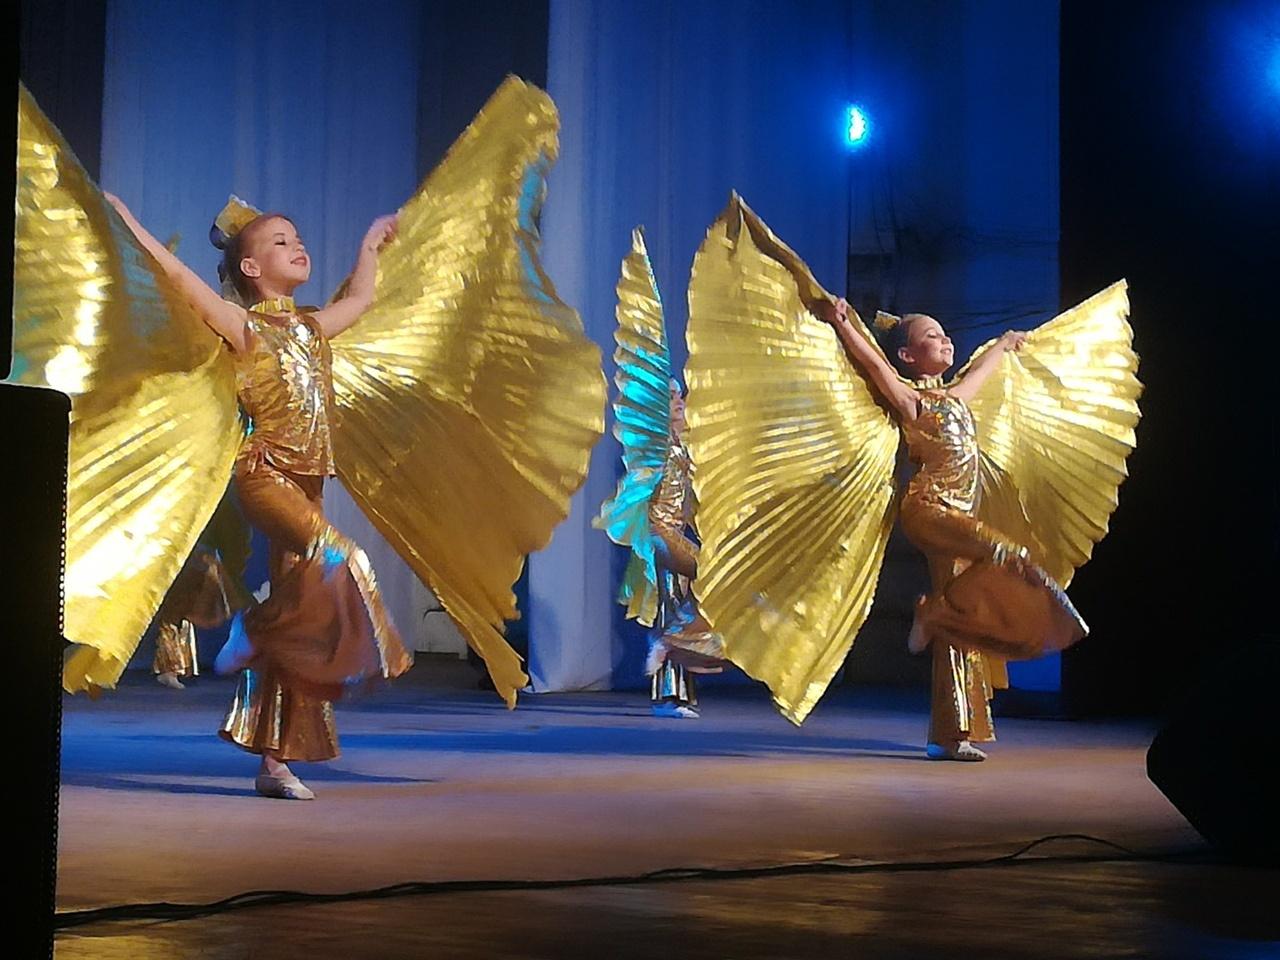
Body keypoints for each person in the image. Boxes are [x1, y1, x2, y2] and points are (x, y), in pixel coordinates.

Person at [682, 194, 1140, 756]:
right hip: (930, 510)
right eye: (931, 338)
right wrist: (844, 324)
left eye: (945, 336)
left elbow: (982, 373)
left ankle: (951, 731)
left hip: (960, 511)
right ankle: (935, 614)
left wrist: (1003, 345)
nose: (944, 341)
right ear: (909, 357)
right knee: (1009, 555)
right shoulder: (913, 404)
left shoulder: (956, 400)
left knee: (963, 616)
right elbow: (872, 364)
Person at [596, 229, 724, 719]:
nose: (680, 404)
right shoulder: (656, 448)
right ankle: (669, 684)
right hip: (659, 533)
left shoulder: (688, 448)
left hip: (679, 532)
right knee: (694, 588)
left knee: (698, 590)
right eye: (672, 399)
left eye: (681, 398)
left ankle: (678, 683)